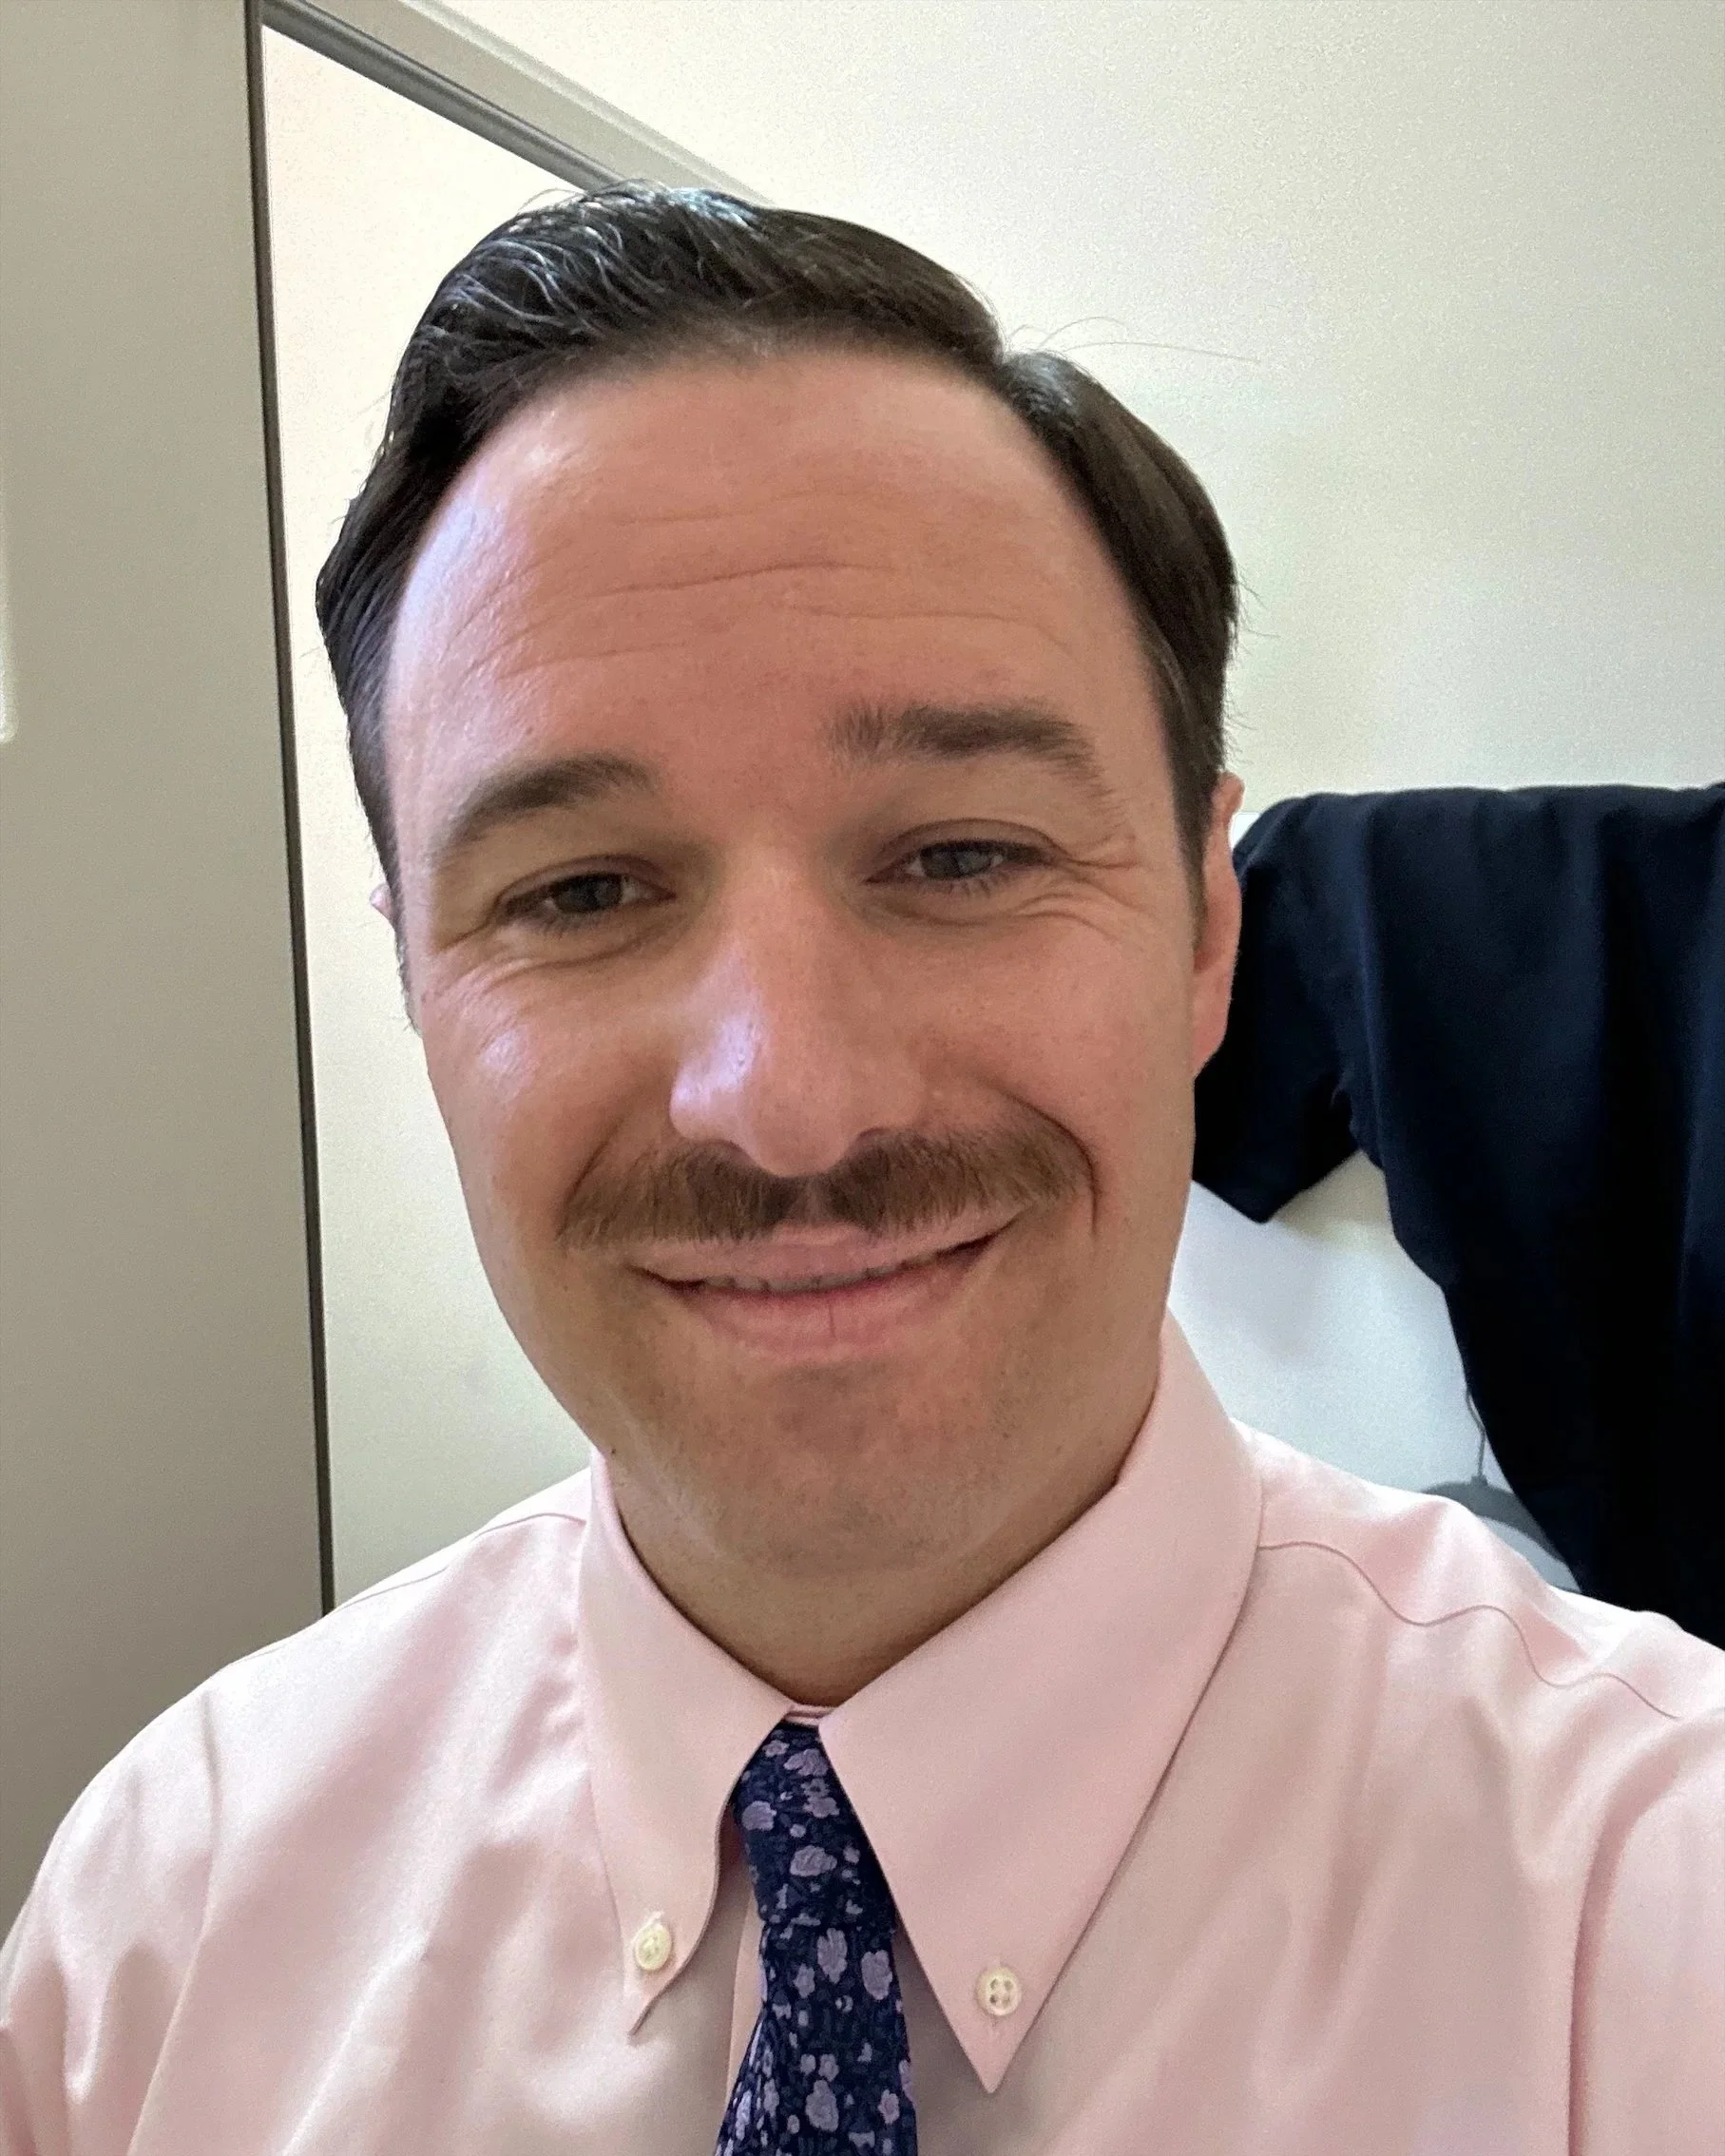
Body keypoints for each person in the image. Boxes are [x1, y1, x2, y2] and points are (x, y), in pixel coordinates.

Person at [1, 185, 1718, 2156]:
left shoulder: (1657, 1921)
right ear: (413, 975)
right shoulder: (168, 1928)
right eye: (581, 892)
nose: (789, 1102)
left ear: (1202, 932)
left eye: (962, 857)